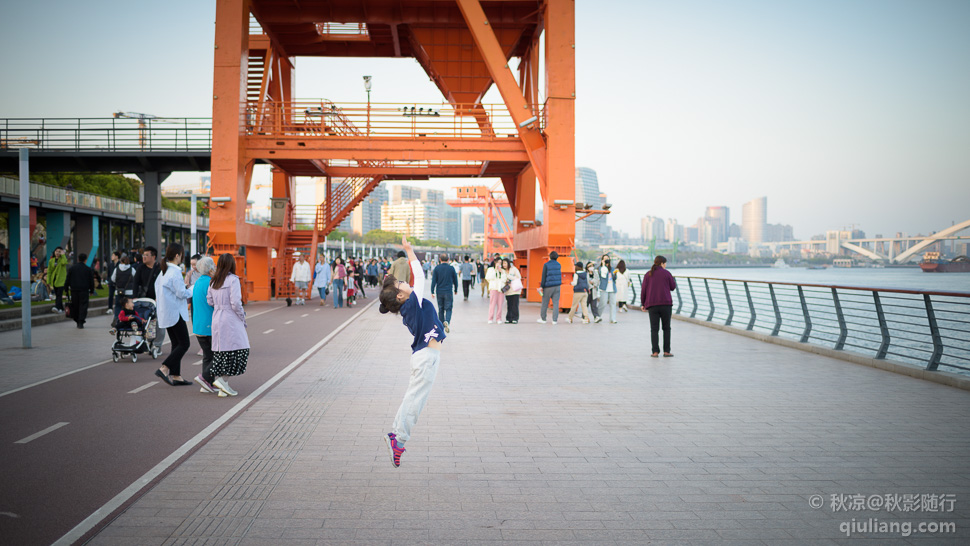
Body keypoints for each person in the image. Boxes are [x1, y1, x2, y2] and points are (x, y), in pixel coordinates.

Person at [378, 235, 446, 468]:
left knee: (413, 397)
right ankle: (399, 439)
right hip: (427, 357)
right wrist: (409, 251)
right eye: (401, 284)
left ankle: (396, 435)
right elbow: (421, 276)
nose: (405, 283)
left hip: (426, 356)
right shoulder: (411, 304)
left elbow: (418, 280)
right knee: (416, 400)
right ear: (400, 295)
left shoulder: (410, 306)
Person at [207, 253, 250, 397]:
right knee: (239, 349)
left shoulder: (213, 281)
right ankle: (222, 381)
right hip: (230, 317)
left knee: (221, 351)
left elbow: (209, 301)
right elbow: (236, 303)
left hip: (217, 317)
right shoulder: (233, 280)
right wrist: (242, 316)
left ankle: (222, 387)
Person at [153, 243, 193, 386]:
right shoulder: (174, 272)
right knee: (184, 343)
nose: (182, 257)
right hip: (175, 312)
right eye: (181, 254)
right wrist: (192, 289)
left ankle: (176, 375)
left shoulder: (163, 271)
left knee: (176, 344)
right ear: (177, 255)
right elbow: (181, 294)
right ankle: (164, 368)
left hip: (166, 312)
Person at [640, 255, 677, 358]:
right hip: (666, 304)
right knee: (666, 328)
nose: (665, 265)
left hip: (652, 305)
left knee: (654, 329)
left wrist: (643, 304)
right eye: (665, 263)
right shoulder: (667, 273)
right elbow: (672, 287)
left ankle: (655, 352)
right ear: (662, 263)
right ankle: (666, 351)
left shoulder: (648, 274)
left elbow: (644, 290)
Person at [192, 257, 218, 394]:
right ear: (210, 269)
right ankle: (204, 378)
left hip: (198, 325)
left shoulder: (197, 283)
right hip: (210, 325)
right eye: (214, 265)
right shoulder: (211, 283)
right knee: (216, 356)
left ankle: (207, 383)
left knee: (208, 356)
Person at [65, 252, 96, 328]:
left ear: (78, 259)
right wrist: (92, 290)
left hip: (74, 290)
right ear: (85, 260)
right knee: (83, 305)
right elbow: (91, 281)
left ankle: (77, 319)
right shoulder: (88, 269)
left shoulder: (72, 268)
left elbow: (67, 279)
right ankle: (81, 321)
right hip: (84, 290)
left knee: (75, 305)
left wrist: (66, 288)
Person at [430, 253, 458, 333]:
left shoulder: (437, 268)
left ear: (440, 259)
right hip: (448, 291)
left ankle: (441, 326)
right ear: (448, 260)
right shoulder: (451, 268)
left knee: (441, 308)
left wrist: (432, 291)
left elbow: (434, 281)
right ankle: (447, 321)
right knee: (448, 308)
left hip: (439, 291)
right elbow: (455, 280)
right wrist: (456, 289)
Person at [537, 251, 562, 324]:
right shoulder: (559, 265)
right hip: (557, 286)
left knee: (545, 303)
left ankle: (543, 319)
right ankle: (554, 320)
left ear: (550, 257)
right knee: (556, 303)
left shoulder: (546, 265)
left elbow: (544, 276)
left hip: (548, 287)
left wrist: (542, 286)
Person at [484, 258, 507, 324]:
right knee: (492, 304)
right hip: (493, 288)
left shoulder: (503, 270)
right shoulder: (490, 269)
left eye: (501, 262)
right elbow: (488, 278)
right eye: (498, 262)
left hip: (501, 289)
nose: (500, 264)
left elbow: (504, 279)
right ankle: (490, 318)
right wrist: (495, 270)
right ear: (495, 262)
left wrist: (501, 272)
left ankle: (498, 318)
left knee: (500, 304)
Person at [46, 247, 69, 313]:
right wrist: (48, 281)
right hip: (54, 280)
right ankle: (61, 308)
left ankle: (57, 307)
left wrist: (63, 255)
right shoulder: (51, 260)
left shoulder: (62, 259)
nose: (57, 253)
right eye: (56, 251)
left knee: (59, 294)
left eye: (59, 251)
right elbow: (49, 271)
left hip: (61, 280)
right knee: (57, 295)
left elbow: (64, 262)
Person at [568, 259, 590, 324]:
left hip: (578, 291)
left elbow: (575, 283)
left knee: (574, 305)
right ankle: (586, 318)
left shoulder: (576, 274)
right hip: (585, 291)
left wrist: (570, 283)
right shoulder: (585, 274)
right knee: (584, 306)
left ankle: (570, 318)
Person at [599, 254, 619, 324]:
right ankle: (598, 316)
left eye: (607, 258)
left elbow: (614, 278)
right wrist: (603, 265)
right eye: (605, 259)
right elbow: (602, 275)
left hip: (612, 288)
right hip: (604, 288)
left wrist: (615, 274)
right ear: (602, 260)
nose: (606, 260)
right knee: (603, 303)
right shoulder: (600, 268)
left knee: (613, 304)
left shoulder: (612, 268)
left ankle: (612, 319)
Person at [504, 258, 523, 324]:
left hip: (515, 290)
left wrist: (509, 277)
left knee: (515, 305)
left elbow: (519, 277)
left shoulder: (514, 269)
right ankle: (509, 318)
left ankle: (515, 318)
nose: (504, 265)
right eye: (503, 263)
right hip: (508, 291)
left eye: (505, 263)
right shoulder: (503, 271)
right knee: (509, 305)